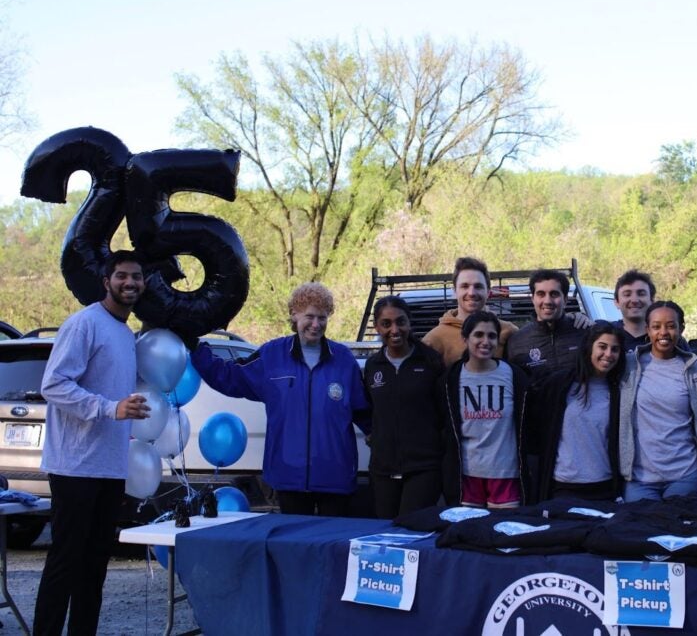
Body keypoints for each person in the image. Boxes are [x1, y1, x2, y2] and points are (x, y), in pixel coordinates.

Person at [34, 250, 151, 636]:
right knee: (65, 563)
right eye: (121, 276)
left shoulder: (125, 334)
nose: (129, 283)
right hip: (74, 467)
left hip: (110, 465)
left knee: (95, 565)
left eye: (136, 277)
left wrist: (126, 411)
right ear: (106, 281)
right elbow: (53, 385)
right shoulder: (84, 324)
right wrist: (109, 408)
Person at [190, 283, 370, 516]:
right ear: (294, 315)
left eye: (322, 318)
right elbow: (230, 377)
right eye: (310, 316)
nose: (316, 325)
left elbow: (364, 410)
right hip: (288, 475)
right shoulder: (272, 355)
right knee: (292, 546)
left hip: (335, 475)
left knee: (331, 546)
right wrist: (196, 350)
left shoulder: (343, 359)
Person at [619, 301, 697, 501]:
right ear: (647, 330)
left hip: (685, 474)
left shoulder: (693, 369)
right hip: (639, 479)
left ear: (681, 329)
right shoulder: (629, 365)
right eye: (656, 326)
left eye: (671, 326)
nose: (663, 332)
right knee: (637, 530)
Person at [363, 296, 446, 518]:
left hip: (423, 468)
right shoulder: (373, 365)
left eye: (401, 321)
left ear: (409, 323)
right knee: (384, 533)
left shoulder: (430, 362)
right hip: (382, 469)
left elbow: (444, 413)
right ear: (377, 327)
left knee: (411, 531)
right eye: (386, 324)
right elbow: (369, 410)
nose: (395, 330)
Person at [440, 311, 528, 508]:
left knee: (503, 533)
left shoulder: (514, 376)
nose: (485, 341)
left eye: (491, 336)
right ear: (465, 338)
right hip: (467, 476)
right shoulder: (450, 380)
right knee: (469, 534)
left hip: (505, 473)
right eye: (478, 335)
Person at [533, 322, 626, 502]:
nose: (608, 354)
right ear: (589, 347)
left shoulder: (620, 390)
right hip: (564, 486)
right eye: (602, 347)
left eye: (615, 349)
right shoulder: (560, 384)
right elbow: (537, 431)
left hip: (605, 486)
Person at [422, 256, 519, 367]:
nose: (471, 293)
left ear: (488, 292)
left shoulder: (508, 331)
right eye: (465, 286)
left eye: (478, 286)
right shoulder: (434, 339)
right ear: (454, 291)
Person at [506, 268, 593, 380]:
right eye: (541, 294)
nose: (547, 301)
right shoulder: (516, 342)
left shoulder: (585, 332)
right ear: (533, 299)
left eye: (554, 294)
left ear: (565, 299)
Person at [612, 269, 655, 352]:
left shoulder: (667, 339)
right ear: (617, 302)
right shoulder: (603, 334)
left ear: (652, 301)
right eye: (627, 294)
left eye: (641, 294)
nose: (634, 300)